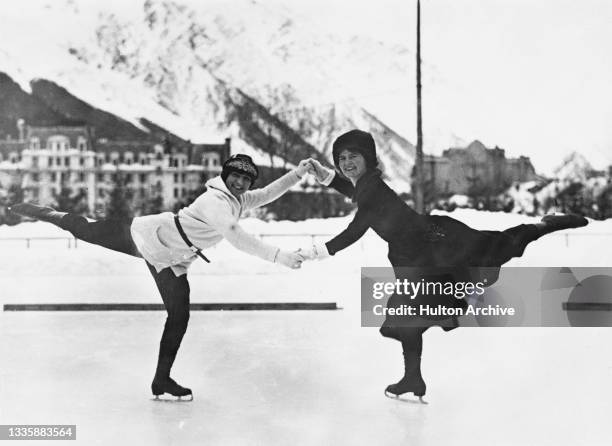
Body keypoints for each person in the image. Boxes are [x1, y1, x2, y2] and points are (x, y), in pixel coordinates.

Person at [302, 129, 588, 402]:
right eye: (341, 159)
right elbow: (355, 194)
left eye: (353, 156)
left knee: (498, 247)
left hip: (434, 245)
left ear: (367, 157)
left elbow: (356, 229)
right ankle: (412, 377)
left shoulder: (372, 188)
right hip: (414, 257)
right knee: (405, 319)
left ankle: (544, 224)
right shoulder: (365, 187)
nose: (347, 163)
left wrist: (317, 251)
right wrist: (326, 176)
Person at [10, 154, 311, 401]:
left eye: (247, 179)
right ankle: (46, 213)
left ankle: (161, 379)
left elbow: (268, 194)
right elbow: (234, 234)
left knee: (179, 316)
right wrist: (279, 256)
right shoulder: (215, 201)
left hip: (171, 261)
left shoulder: (237, 199)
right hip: (147, 236)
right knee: (87, 230)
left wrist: (298, 174)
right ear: (224, 174)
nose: (241, 182)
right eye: (236, 176)